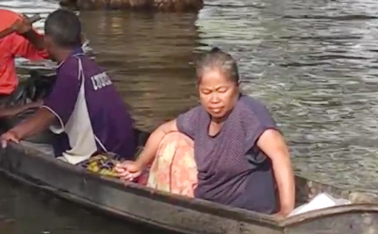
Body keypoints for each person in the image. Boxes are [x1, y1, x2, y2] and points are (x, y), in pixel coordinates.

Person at [115, 48, 296, 218]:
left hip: (245, 210)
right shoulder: (200, 116)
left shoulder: (248, 115)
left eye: (222, 91)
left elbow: (280, 154)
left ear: (237, 87)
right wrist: (140, 164)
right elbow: (163, 131)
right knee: (173, 140)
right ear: (199, 91)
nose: (214, 100)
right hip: (209, 204)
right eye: (206, 92)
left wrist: (286, 211)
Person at [0, 8, 137, 168]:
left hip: (99, 158)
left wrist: (14, 133)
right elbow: (44, 105)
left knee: (13, 148)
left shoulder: (70, 71)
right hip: (124, 150)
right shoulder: (87, 64)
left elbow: (49, 114)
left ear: (48, 41)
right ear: (80, 38)